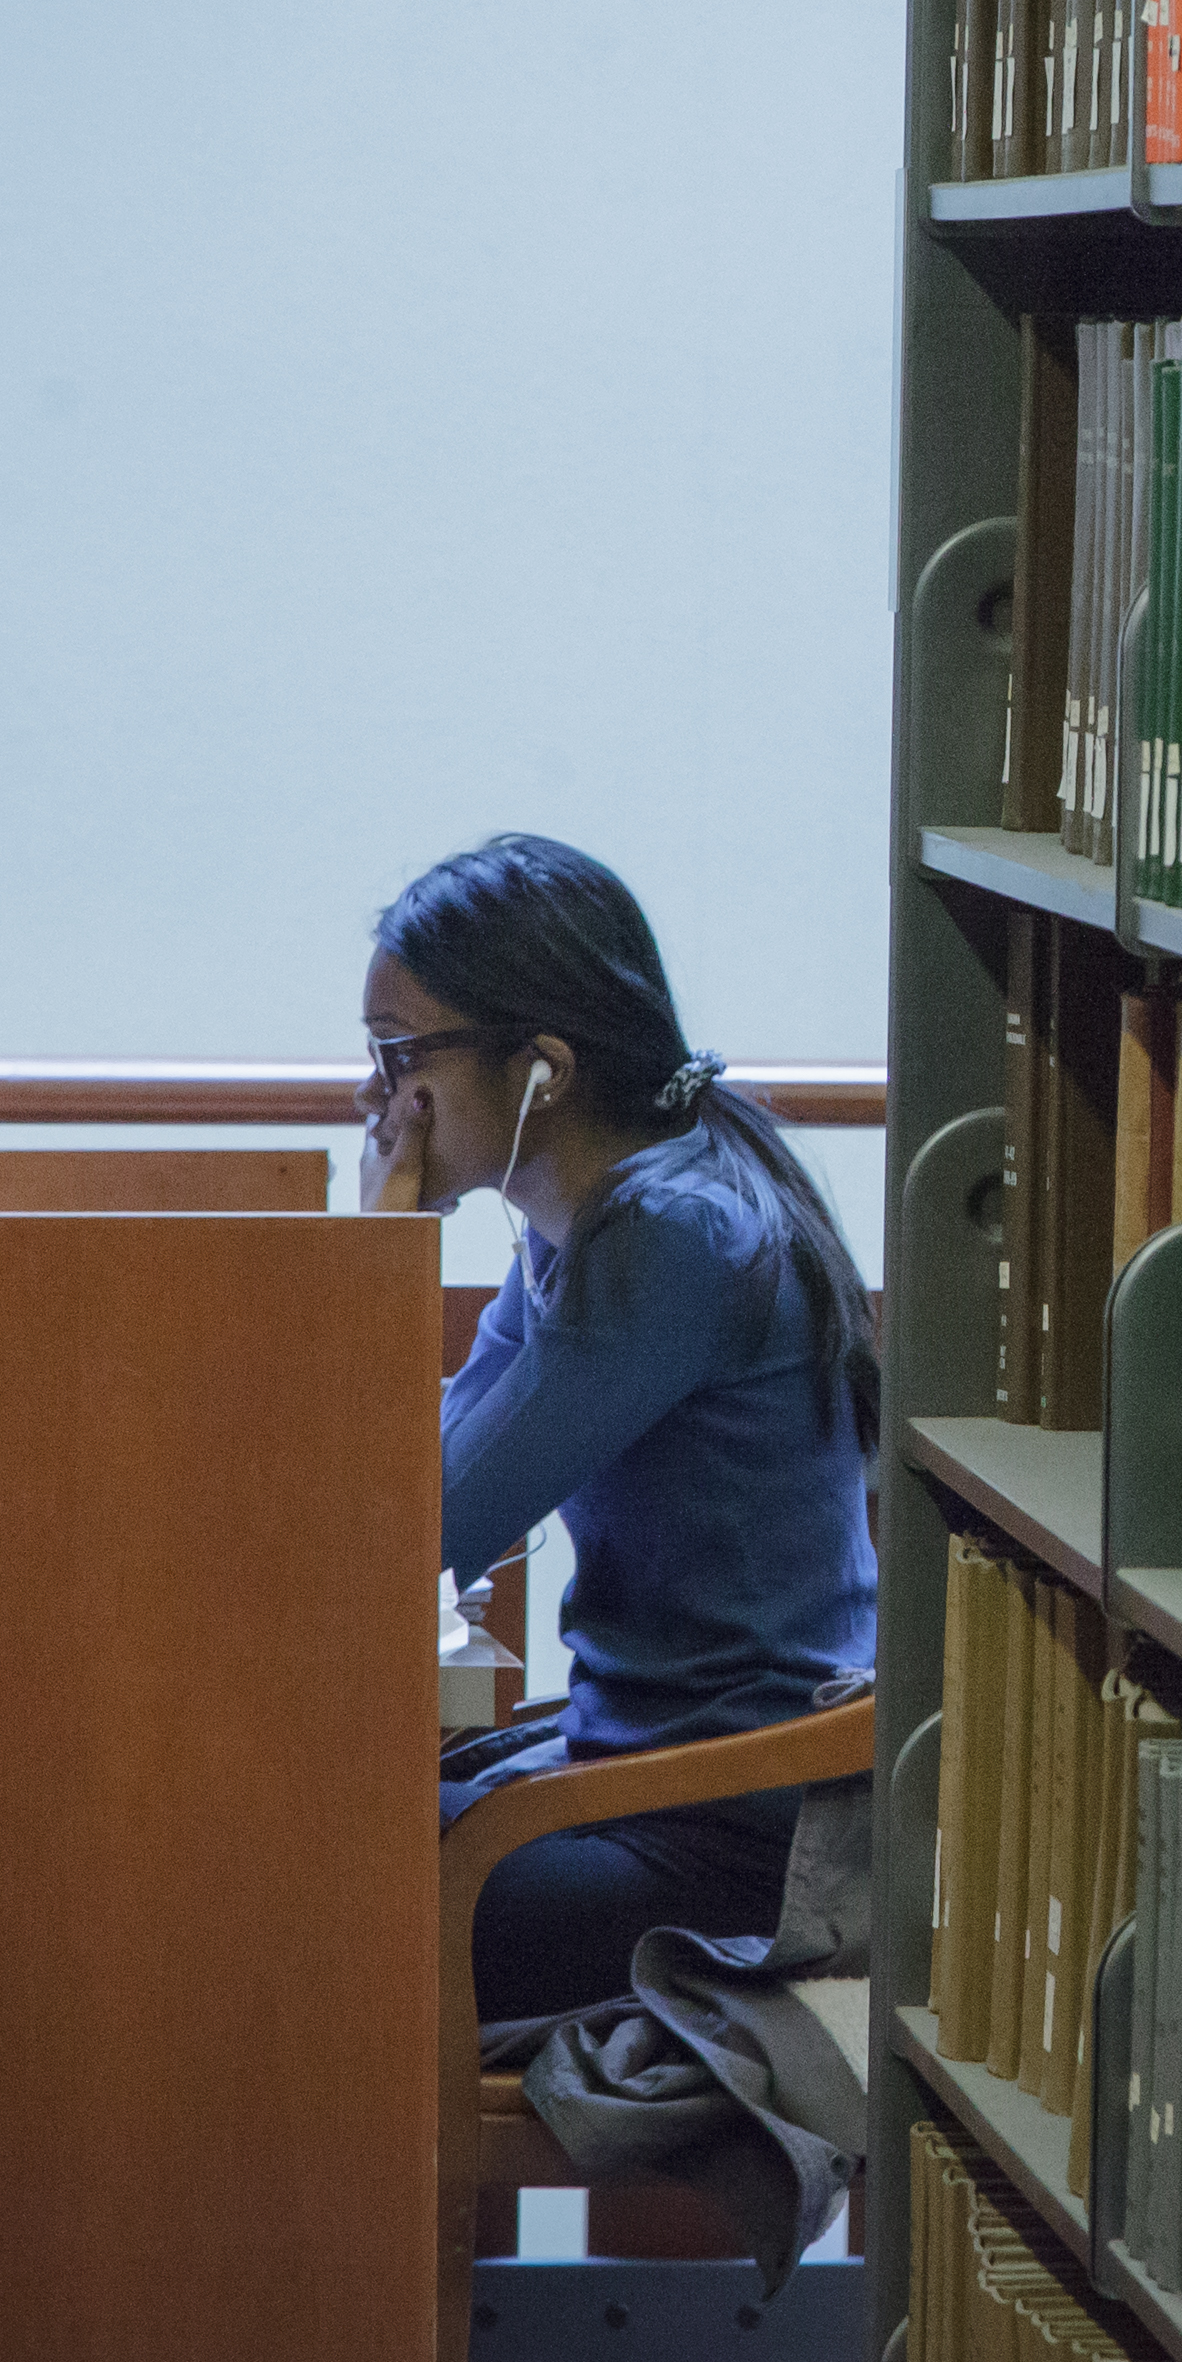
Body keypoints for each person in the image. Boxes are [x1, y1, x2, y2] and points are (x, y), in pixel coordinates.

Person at [364, 832, 879, 2022]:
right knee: (281, 1842)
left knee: (288, 1886)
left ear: (541, 1068)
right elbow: (417, 1473)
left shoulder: (670, 1240)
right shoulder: (588, 1226)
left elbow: (415, 1530)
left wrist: (378, 1249)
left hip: (741, 1842)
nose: (378, 1100)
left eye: (399, 1057)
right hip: (643, 1784)